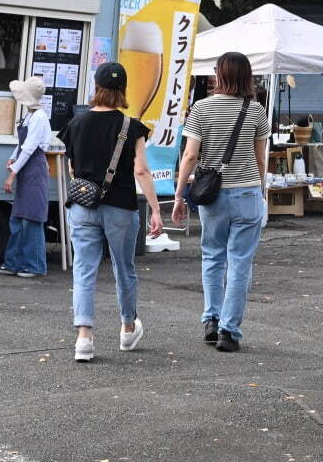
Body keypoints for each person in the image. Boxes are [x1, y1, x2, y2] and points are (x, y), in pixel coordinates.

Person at [60, 61, 163, 362]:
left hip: (82, 205)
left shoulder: (75, 124)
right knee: (123, 268)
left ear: (97, 87)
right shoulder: (132, 127)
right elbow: (141, 171)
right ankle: (128, 329)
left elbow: (72, 167)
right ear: (123, 90)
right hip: (120, 207)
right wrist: (155, 210)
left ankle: (84, 338)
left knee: (84, 270)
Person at [172, 51, 270, 352]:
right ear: (247, 76)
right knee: (240, 263)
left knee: (213, 257)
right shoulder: (256, 111)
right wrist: (261, 190)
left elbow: (190, 155)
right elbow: (259, 157)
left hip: (212, 196)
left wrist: (178, 195)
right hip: (247, 193)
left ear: (220, 75)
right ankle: (229, 331)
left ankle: (211, 320)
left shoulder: (200, 108)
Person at [0, 75, 51, 279]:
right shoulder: (30, 115)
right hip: (27, 167)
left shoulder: (39, 117)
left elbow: (29, 148)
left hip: (34, 169)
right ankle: (13, 262)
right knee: (17, 218)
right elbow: (22, 146)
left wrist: (12, 174)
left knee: (32, 218)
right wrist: (12, 159)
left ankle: (34, 265)